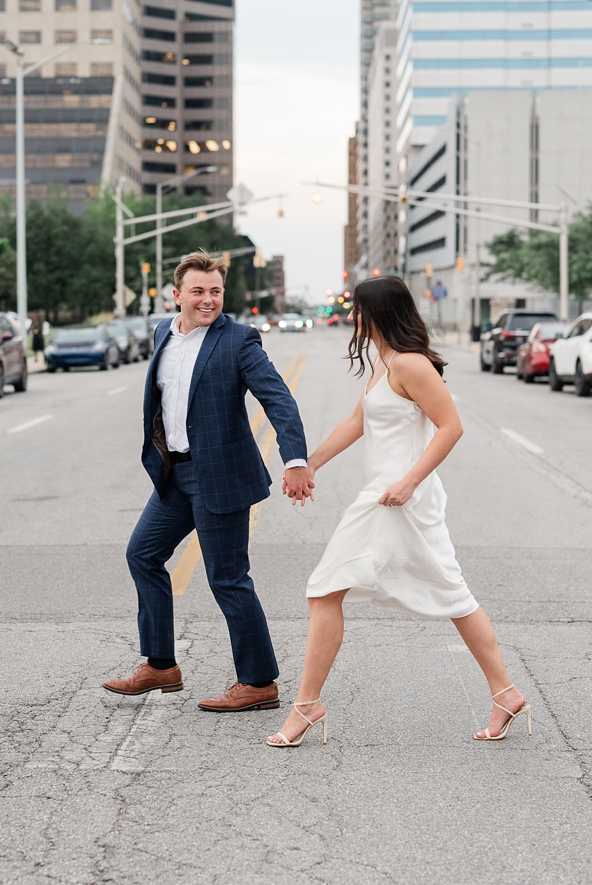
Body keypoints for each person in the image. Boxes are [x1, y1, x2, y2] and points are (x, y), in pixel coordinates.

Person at [265, 275, 529, 748]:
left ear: (378, 313)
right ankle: (505, 692)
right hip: (386, 495)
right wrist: (307, 465)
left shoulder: (410, 364)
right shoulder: (384, 363)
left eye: (357, 310)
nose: (352, 318)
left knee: (326, 589)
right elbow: (358, 421)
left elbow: (451, 427)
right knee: (452, 593)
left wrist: (409, 481)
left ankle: (306, 706)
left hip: (396, 499)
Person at [103, 250, 313, 713]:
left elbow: (279, 400)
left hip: (221, 476)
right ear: (176, 295)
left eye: (215, 291)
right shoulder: (163, 333)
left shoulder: (238, 340)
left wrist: (295, 460)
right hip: (175, 473)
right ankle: (160, 664)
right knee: (143, 553)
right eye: (198, 291)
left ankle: (258, 682)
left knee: (227, 578)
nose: (207, 299)